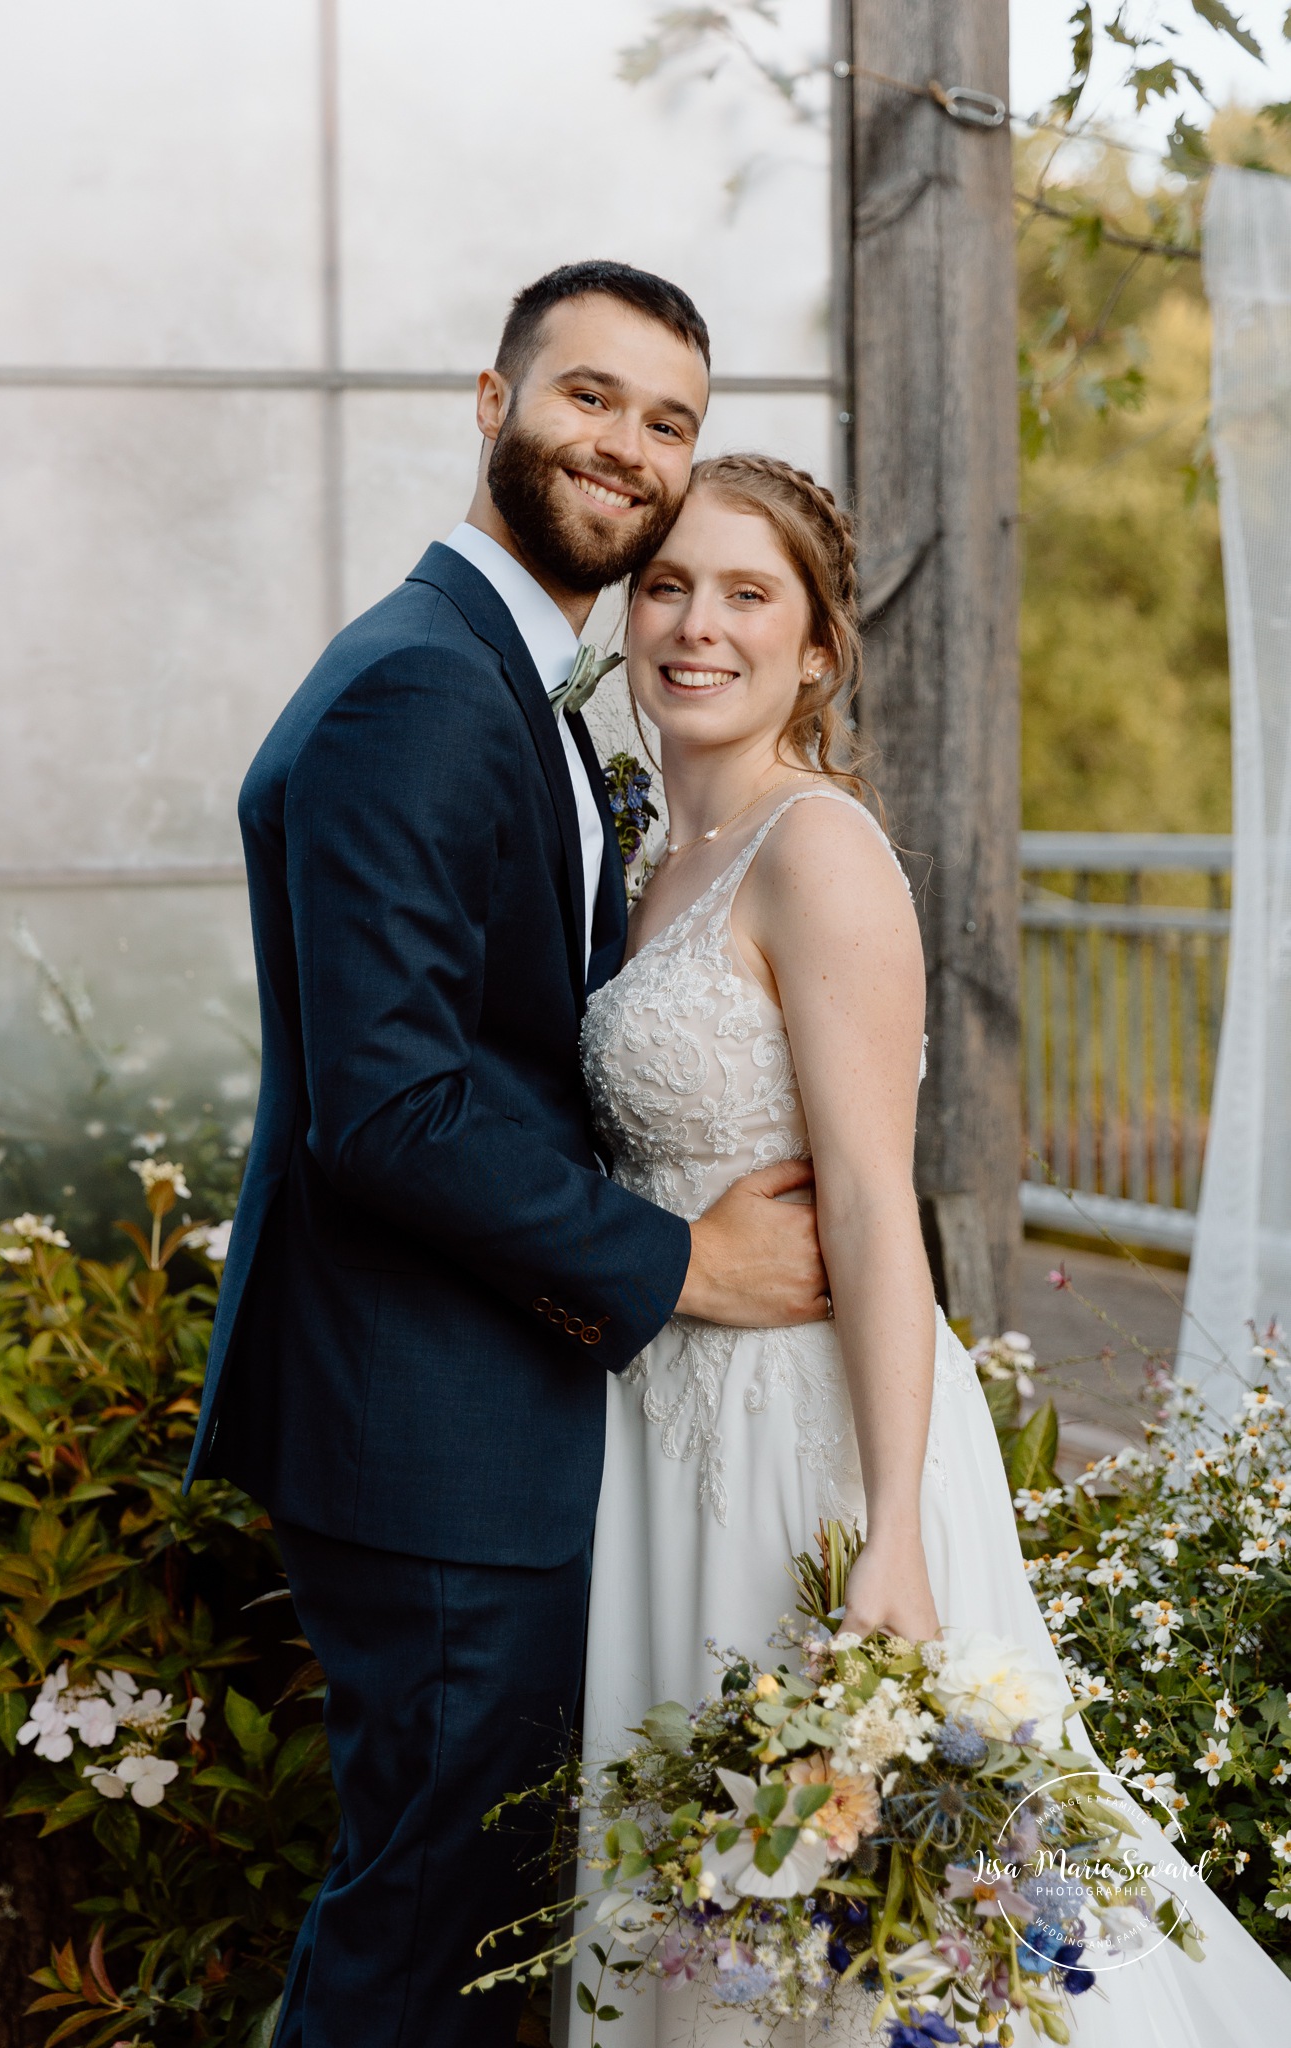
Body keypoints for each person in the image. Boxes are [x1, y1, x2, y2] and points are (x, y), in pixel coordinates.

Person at [182, 265, 830, 2048]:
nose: (627, 447)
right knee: (428, 1931)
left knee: (459, 1920)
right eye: (590, 396)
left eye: (669, 421)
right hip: (432, 1433)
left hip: (466, 1414)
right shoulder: (422, 689)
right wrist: (684, 1265)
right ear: (493, 400)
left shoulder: (502, 680)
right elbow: (390, 1108)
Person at [567, 451, 1291, 2046]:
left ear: (816, 647)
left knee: (866, 1925)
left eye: (747, 595)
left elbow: (875, 1208)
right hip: (666, 1430)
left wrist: (892, 1530)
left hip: (816, 1444)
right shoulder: (646, 863)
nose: (696, 625)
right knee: (711, 1910)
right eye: (667, 585)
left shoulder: (812, 850)